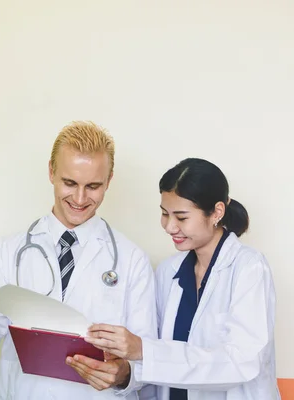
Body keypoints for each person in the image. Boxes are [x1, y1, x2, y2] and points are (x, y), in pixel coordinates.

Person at [0, 121, 158, 399]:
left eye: (93, 186)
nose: (80, 198)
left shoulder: (132, 260)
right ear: (51, 172)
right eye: (70, 183)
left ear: (109, 181)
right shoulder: (9, 251)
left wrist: (123, 374)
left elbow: (145, 357)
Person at [85, 157, 281, 400]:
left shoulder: (249, 268)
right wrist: (124, 371)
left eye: (181, 217)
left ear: (217, 211)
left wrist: (143, 350)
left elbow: (241, 363)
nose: (169, 226)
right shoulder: (169, 272)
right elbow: (155, 364)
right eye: (165, 214)